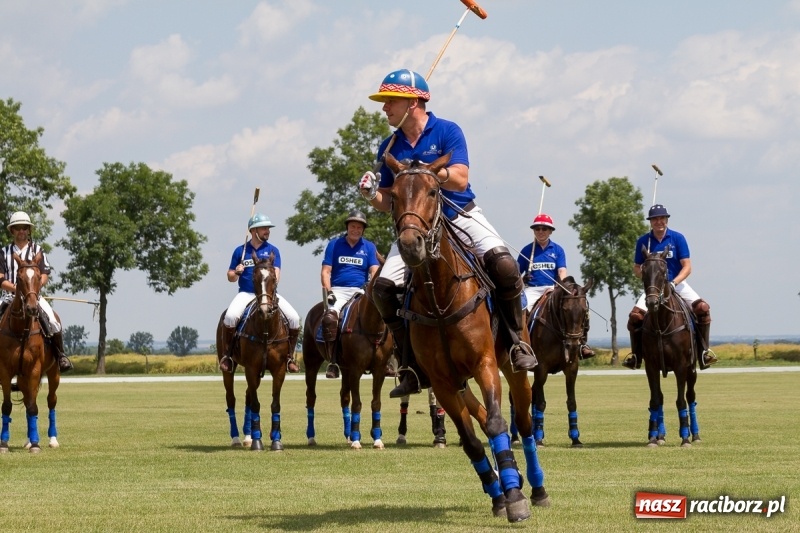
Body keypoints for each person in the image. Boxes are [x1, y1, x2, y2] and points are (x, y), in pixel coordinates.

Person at [358, 68, 536, 398]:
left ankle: (515, 344)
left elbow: (461, 179)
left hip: (461, 215)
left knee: (507, 268)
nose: (384, 108)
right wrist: (371, 193)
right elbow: (386, 202)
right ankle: (410, 365)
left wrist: (423, 172)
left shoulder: (447, 131)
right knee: (382, 288)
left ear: (412, 103)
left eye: (390, 101)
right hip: (418, 227)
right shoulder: (390, 146)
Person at [623, 204, 718, 370]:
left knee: (703, 308)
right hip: (654, 288)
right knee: (635, 318)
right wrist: (645, 274)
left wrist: (674, 282)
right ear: (651, 222)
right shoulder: (644, 241)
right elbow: (636, 268)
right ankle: (636, 356)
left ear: (666, 220)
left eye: (662, 218)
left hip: (677, 284)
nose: (659, 221)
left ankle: (703, 353)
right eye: (655, 219)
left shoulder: (677, 238)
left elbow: (687, 266)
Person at [218, 213, 300, 374]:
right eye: (264, 228)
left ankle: (289, 357)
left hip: (268, 295)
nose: (267, 231)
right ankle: (228, 356)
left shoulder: (273, 250)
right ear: (253, 231)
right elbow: (230, 277)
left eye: (268, 228)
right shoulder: (240, 251)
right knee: (230, 316)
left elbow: (276, 276)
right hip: (246, 294)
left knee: (295, 318)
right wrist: (237, 271)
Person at [0, 211, 72, 372]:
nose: (21, 231)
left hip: (33, 297)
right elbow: (0, 279)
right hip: (8, 297)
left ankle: (60, 356)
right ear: (12, 230)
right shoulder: (3, 252)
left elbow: (44, 274)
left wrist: (34, 289)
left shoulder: (37, 250)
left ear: (29, 230)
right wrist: (17, 289)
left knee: (53, 322)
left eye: (24, 228)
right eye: (17, 228)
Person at [517, 213, 594, 358]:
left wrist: (566, 287)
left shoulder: (557, 250)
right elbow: (515, 275)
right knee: (519, 309)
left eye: (544, 229)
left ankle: (582, 344)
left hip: (552, 289)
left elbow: (562, 271)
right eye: (537, 228)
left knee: (578, 308)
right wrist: (523, 279)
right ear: (533, 230)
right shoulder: (527, 250)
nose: (540, 231)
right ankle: (520, 346)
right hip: (532, 289)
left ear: (550, 231)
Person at [320, 210, 381, 379]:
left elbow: (374, 270)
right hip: (338, 290)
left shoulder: (369, 246)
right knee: (330, 319)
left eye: (359, 227)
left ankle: (385, 358)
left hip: (360, 291)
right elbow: (326, 272)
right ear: (347, 227)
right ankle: (333, 361)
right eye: (353, 226)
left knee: (383, 314)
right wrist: (329, 291)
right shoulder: (334, 244)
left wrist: (372, 286)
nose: (356, 230)